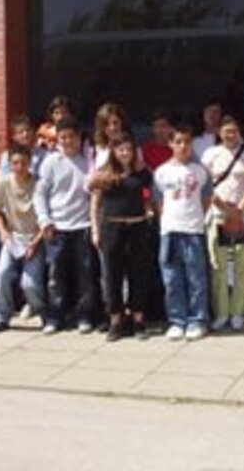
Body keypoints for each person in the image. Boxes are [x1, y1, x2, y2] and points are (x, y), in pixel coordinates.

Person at [33, 117, 97, 335]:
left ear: (79, 137)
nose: (68, 141)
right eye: (63, 137)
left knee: (85, 275)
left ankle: (84, 316)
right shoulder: (51, 162)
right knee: (56, 276)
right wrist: (44, 220)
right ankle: (55, 316)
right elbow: (40, 194)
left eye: (72, 136)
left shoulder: (88, 161)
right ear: (57, 139)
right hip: (57, 227)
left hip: (83, 225)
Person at [90, 137, 153, 341]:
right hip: (112, 228)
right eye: (121, 150)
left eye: (128, 149)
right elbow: (95, 203)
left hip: (137, 227)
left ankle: (138, 320)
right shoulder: (104, 175)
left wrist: (149, 210)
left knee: (138, 274)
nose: (125, 153)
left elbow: (151, 195)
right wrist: (95, 230)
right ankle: (115, 320)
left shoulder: (141, 173)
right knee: (112, 276)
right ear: (113, 152)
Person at [154, 124, 212, 341]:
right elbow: (159, 202)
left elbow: (206, 199)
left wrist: (196, 218)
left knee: (196, 279)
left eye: (187, 141)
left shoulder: (200, 171)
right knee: (172, 279)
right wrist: (167, 221)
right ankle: (177, 320)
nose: (183, 146)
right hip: (170, 231)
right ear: (170, 144)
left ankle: (198, 320)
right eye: (178, 142)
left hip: (193, 230)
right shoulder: (161, 172)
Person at [202, 115, 244, 332]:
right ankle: (222, 312)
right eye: (226, 131)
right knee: (219, 266)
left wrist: (239, 210)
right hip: (218, 214)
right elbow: (206, 186)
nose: (230, 135)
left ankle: (238, 313)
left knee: (242, 266)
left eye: (234, 131)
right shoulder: (211, 153)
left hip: (241, 214)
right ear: (219, 132)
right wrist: (226, 209)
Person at [0, 144, 45, 333]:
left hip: (35, 238)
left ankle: (42, 311)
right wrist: (3, 232)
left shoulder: (38, 184)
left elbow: (45, 216)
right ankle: (0, 317)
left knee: (29, 283)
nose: (19, 167)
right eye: (15, 163)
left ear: (30, 163)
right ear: (10, 164)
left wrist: (36, 242)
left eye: (23, 163)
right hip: (13, 237)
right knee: (2, 274)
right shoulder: (3, 184)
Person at [0, 115, 46, 179]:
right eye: (21, 132)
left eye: (28, 130)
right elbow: (2, 179)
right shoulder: (6, 156)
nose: (25, 134)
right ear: (14, 136)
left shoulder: (44, 155)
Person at [93, 102, 131, 170]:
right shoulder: (95, 150)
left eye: (115, 123)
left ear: (122, 123)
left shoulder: (133, 149)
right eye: (106, 124)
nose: (112, 128)